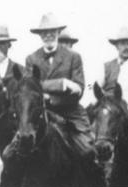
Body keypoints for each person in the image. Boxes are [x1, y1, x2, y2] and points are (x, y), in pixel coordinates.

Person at [23, 13, 94, 161]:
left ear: (58, 33)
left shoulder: (73, 57)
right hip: (41, 113)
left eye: (52, 31)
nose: (48, 35)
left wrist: (48, 94)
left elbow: (78, 90)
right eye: (44, 32)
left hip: (70, 112)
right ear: (40, 35)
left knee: (88, 151)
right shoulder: (31, 59)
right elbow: (30, 88)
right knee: (11, 152)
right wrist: (61, 84)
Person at [102, 27, 128, 94]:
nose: (126, 47)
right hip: (111, 102)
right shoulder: (107, 67)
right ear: (116, 46)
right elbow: (97, 87)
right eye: (122, 44)